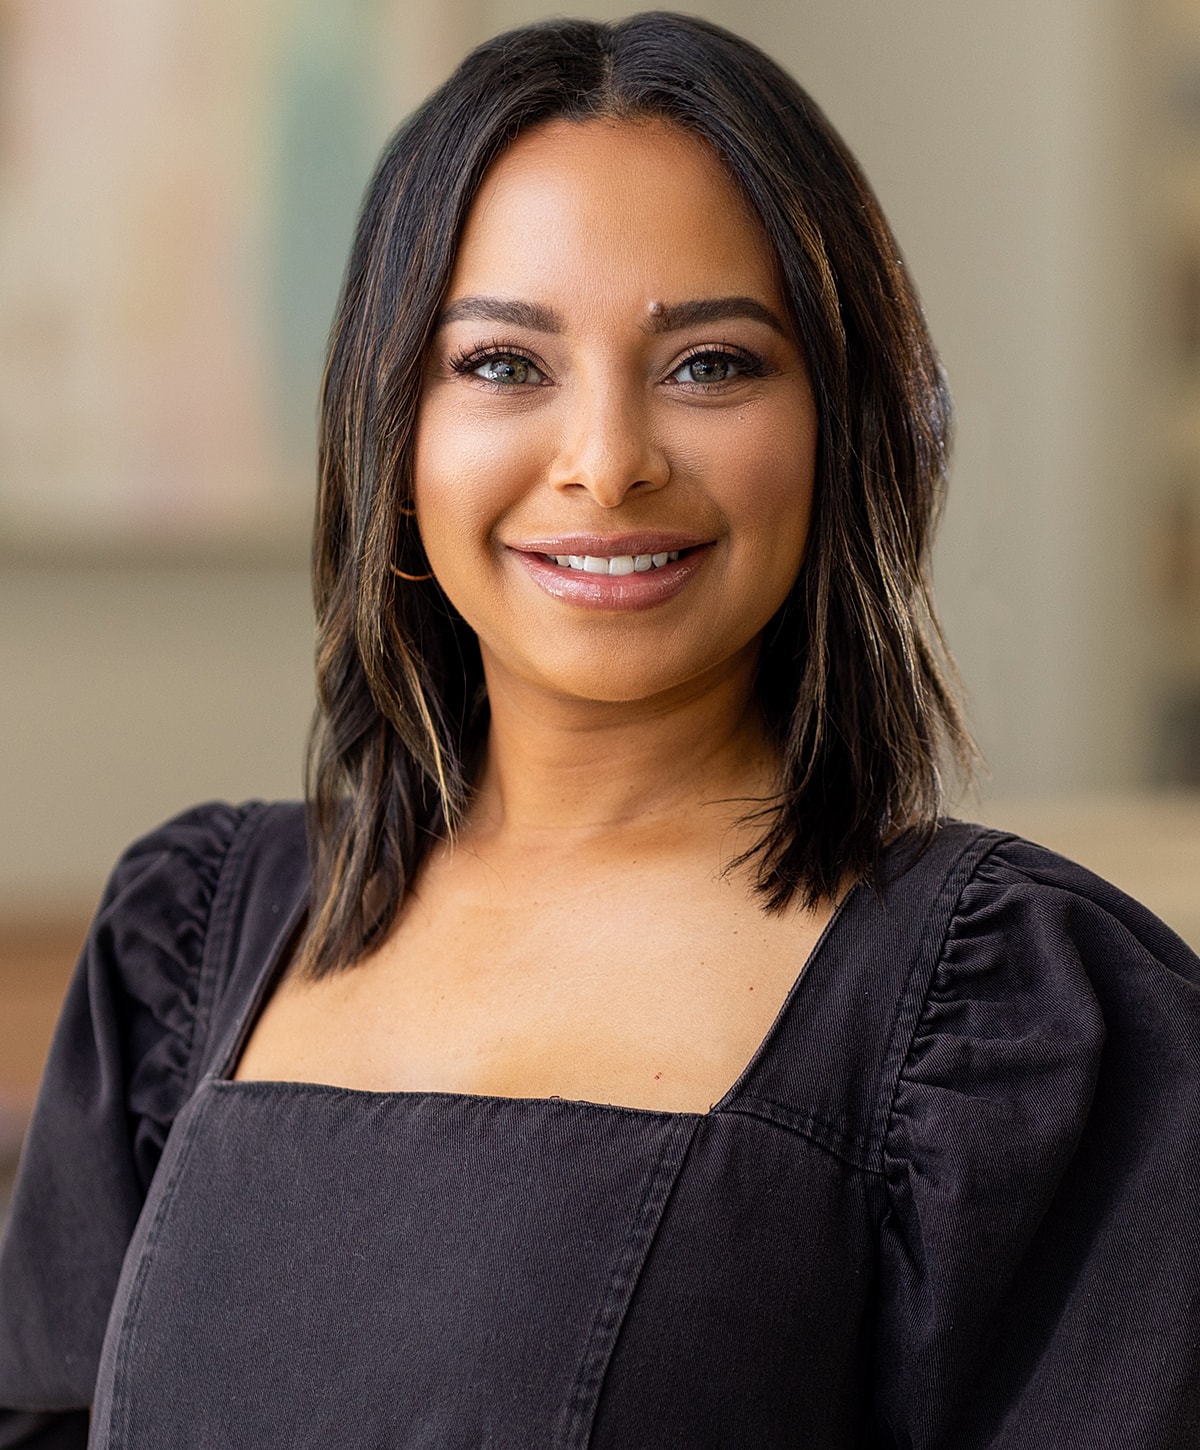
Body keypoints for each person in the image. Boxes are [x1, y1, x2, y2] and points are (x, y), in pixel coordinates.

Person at [2, 12, 1198, 1448]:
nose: (609, 461)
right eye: (505, 363)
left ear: (842, 420)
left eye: (711, 364)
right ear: (392, 429)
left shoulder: (1027, 1019)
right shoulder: (182, 946)